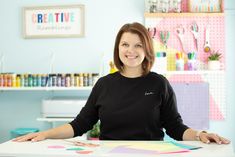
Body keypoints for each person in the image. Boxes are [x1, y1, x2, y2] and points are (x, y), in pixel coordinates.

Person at [14, 22, 230, 145]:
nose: (131, 51)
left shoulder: (159, 84)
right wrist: (45, 134)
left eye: (138, 45)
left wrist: (200, 134)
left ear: (146, 50)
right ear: (118, 48)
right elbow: (80, 125)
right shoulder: (104, 85)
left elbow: (175, 127)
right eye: (125, 44)